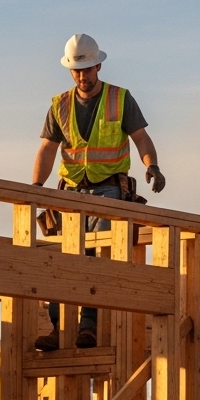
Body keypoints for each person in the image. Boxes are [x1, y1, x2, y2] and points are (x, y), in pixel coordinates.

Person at [31, 33, 165, 351]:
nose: (82, 76)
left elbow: (141, 138)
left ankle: (88, 326)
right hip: (69, 192)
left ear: (98, 66)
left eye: (88, 69)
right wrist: (37, 188)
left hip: (109, 190)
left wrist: (153, 165)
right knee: (61, 260)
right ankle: (59, 328)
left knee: (95, 257)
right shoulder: (60, 105)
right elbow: (47, 149)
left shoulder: (120, 99)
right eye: (77, 70)